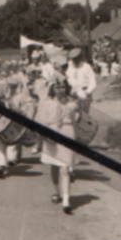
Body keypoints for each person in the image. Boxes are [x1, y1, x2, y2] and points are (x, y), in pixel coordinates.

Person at [38, 77, 78, 214]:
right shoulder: (46, 103)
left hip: (67, 133)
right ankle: (57, 192)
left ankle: (66, 201)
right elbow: (40, 122)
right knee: (54, 165)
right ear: (52, 89)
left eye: (62, 87)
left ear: (66, 88)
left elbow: (76, 121)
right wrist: (45, 136)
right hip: (52, 134)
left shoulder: (73, 103)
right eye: (57, 87)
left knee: (65, 167)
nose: (60, 90)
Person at [65, 47, 97, 114]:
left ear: (80, 58)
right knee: (73, 115)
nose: (74, 61)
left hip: (85, 93)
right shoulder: (69, 67)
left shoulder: (86, 67)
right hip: (73, 94)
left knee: (84, 115)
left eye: (76, 59)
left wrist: (87, 92)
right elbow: (68, 79)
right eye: (73, 59)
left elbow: (93, 82)